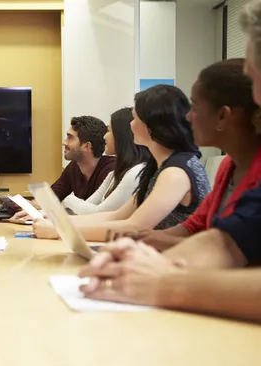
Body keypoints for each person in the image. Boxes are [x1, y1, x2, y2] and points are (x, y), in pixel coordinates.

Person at [76, 0, 261, 323]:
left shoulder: (179, 169)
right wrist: (144, 258)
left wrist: (164, 279)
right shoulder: (226, 168)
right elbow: (222, 239)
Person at [115, 59, 261, 251]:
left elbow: (226, 249)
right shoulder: (228, 166)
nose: (188, 116)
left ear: (222, 116)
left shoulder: (178, 170)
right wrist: (145, 241)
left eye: (195, 107)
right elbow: (196, 226)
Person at [34, 85, 211, 242]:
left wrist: (59, 229)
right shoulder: (158, 168)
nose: (131, 125)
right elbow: (116, 216)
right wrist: (58, 222)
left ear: (151, 125)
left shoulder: (175, 172)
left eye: (134, 119)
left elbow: (134, 228)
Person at [63, 108, 150, 214]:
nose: (104, 137)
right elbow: (88, 207)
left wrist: (68, 199)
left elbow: (97, 212)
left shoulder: (135, 173)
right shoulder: (115, 173)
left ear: (121, 136)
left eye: (109, 131)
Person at [49, 116, 116, 203]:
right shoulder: (74, 166)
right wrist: (29, 207)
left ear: (87, 146)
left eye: (70, 138)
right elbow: (51, 197)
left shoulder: (111, 170)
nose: (64, 142)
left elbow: (98, 211)